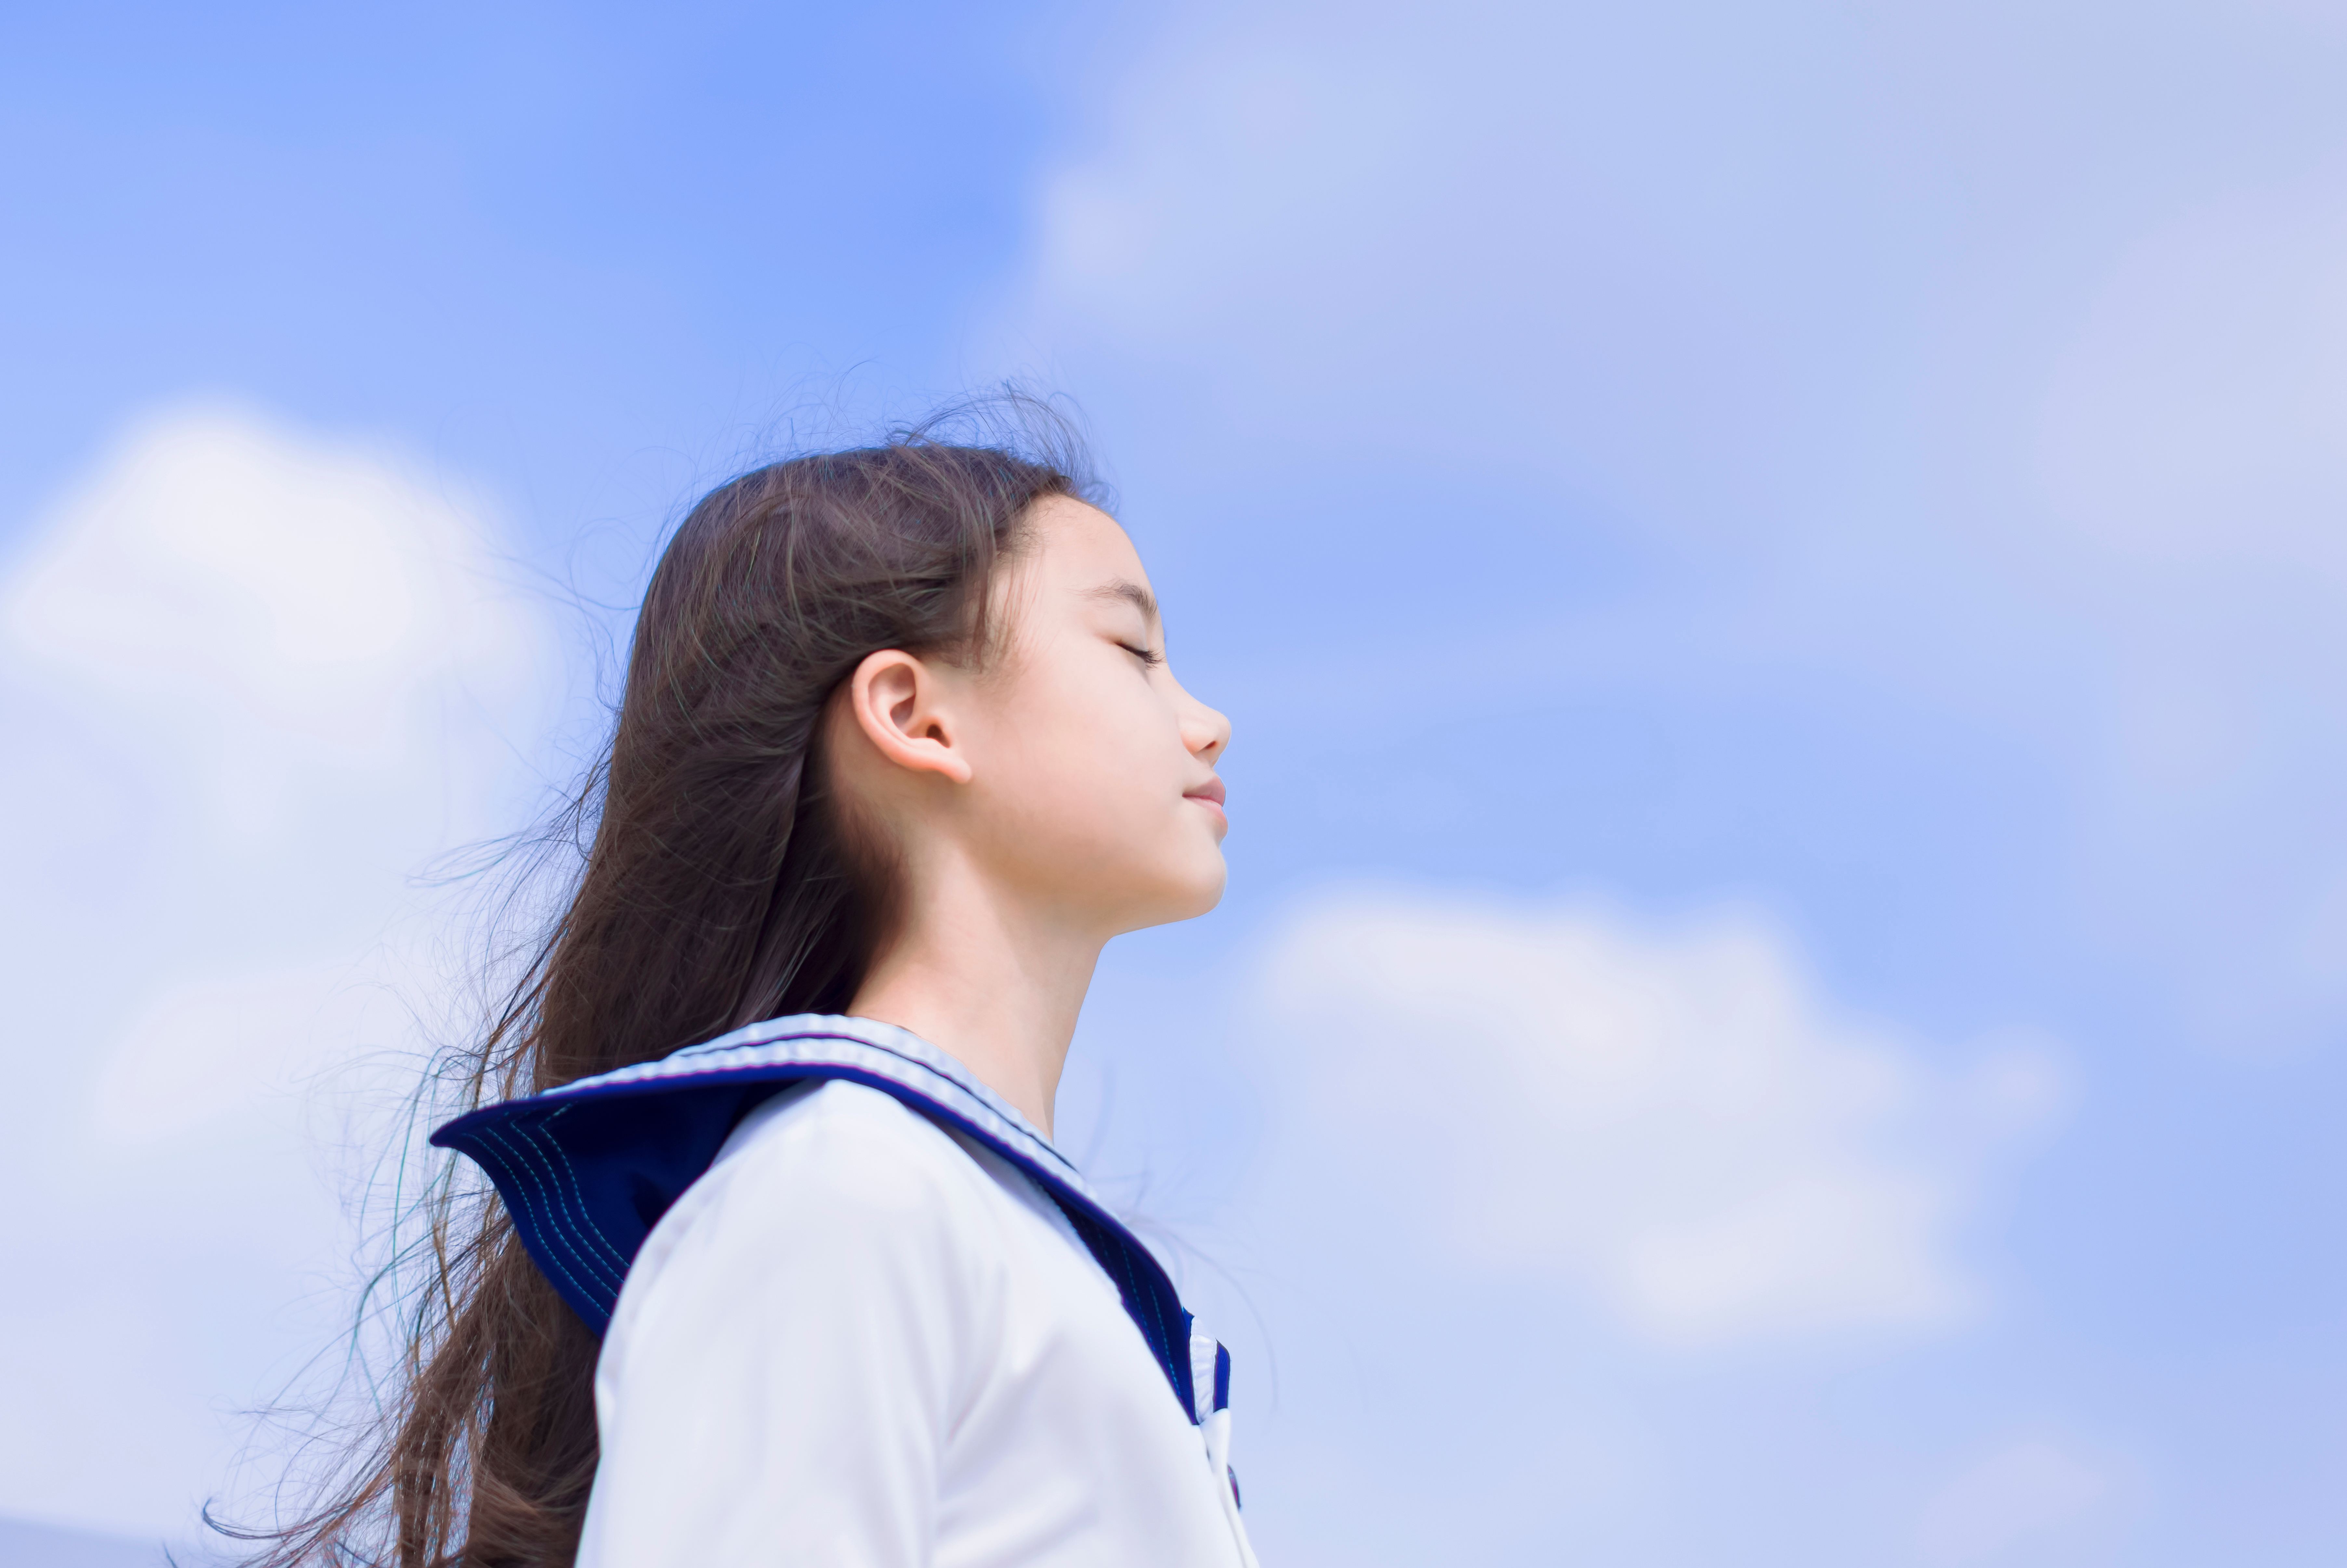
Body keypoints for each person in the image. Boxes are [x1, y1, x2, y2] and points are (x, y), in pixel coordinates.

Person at [249, 414, 1258, 1568]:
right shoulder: (850, 1190)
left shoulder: (947, 1212)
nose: (1206, 722)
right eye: (1132, 652)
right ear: (913, 714)